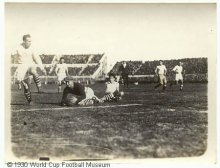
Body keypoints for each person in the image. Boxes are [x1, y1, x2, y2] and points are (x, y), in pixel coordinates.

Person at [12, 34, 46, 104]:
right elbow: (14, 59)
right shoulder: (18, 48)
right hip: (21, 66)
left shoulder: (32, 48)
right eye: (28, 41)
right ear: (24, 41)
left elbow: (37, 58)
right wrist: (15, 67)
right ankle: (29, 100)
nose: (30, 43)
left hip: (30, 64)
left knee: (33, 71)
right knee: (26, 86)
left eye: (31, 41)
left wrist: (42, 68)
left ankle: (39, 87)